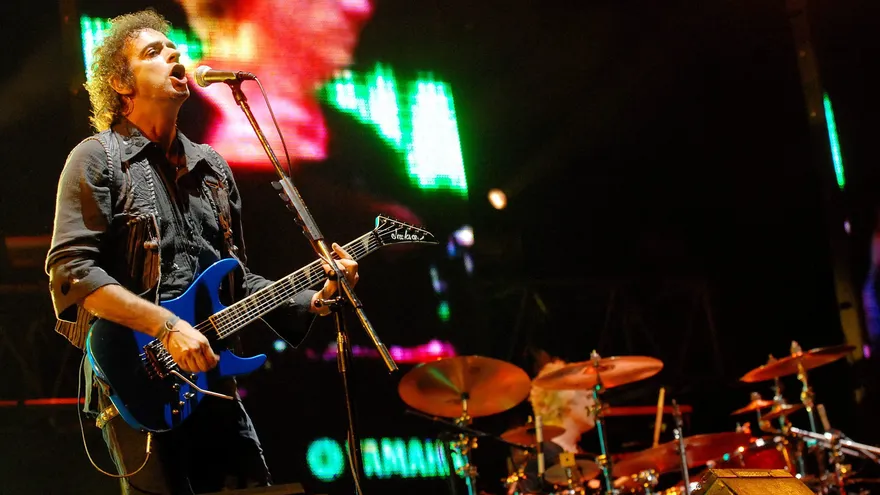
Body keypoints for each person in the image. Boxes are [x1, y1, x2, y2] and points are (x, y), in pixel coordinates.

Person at [44, 9, 359, 494]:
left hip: (213, 379)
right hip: (135, 380)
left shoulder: (211, 167)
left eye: (175, 50)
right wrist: (166, 327)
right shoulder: (96, 158)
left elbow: (236, 281)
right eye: (154, 52)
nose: (174, 56)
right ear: (121, 83)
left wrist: (313, 297)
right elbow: (73, 273)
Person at [508, 359, 598, 494]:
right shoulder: (541, 460)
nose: (595, 404)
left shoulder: (577, 453)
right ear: (565, 400)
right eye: (589, 396)